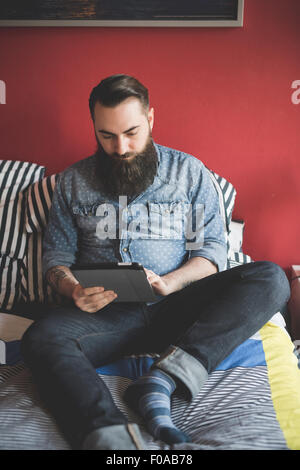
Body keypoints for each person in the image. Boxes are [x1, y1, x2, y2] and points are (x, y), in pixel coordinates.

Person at [21, 74, 290, 450]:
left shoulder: (190, 174)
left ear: (150, 118)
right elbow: (56, 258)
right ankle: (110, 436)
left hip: (180, 308)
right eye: (107, 136)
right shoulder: (71, 182)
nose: (121, 147)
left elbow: (211, 252)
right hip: (106, 317)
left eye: (131, 132)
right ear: (95, 129)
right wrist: (73, 289)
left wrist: (171, 282)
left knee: (270, 278)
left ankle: (164, 378)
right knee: (40, 336)